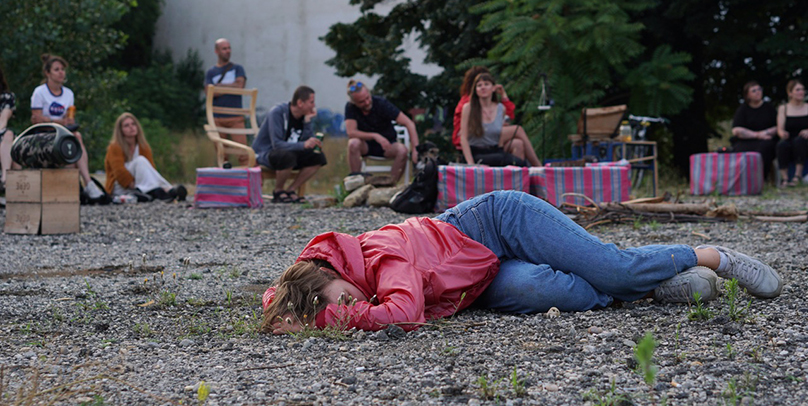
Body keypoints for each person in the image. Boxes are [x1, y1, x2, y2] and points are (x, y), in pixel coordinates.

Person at [262, 190, 782, 334]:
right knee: (554, 292)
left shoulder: (378, 255)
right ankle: (655, 290)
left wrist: (334, 316)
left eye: (347, 301)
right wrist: (290, 313)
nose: (356, 305)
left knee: (609, 268)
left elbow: (403, 312)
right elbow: (278, 299)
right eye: (344, 306)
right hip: (473, 278)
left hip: (494, 223)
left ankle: (711, 255)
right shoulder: (323, 277)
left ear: (334, 277)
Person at [30, 54, 104, 200]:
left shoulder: (69, 93)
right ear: (48, 73)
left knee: (76, 138)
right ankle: (86, 184)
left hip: (62, 133)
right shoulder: (39, 92)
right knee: (73, 141)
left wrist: (53, 120)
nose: (61, 72)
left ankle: (85, 184)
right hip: (44, 134)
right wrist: (58, 121)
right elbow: (36, 121)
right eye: (57, 69)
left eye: (62, 69)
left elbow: (69, 120)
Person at [252, 86, 326, 203]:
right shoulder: (277, 113)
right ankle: (278, 191)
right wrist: (303, 145)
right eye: (311, 102)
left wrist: (307, 122)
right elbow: (277, 144)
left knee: (318, 157)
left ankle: (291, 190)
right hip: (267, 153)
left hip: (291, 153)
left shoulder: (303, 117)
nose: (313, 106)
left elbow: (306, 142)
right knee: (287, 156)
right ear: (300, 103)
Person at [459, 73, 541, 167]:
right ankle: (538, 166)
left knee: (518, 147)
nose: (483, 87)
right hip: (478, 153)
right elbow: (463, 138)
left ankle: (532, 172)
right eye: (479, 85)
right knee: (511, 159)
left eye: (486, 84)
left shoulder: (501, 108)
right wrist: (471, 163)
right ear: (476, 90)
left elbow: (499, 133)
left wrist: (504, 95)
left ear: (493, 88)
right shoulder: (468, 108)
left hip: (495, 149)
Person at [345, 80, 419, 183]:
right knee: (353, 143)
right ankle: (355, 182)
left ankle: (390, 185)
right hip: (366, 145)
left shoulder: (381, 104)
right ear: (354, 103)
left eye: (368, 98)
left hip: (388, 145)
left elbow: (409, 123)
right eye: (361, 102)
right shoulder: (350, 108)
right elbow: (351, 132)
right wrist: (375, 136)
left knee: (402, 151)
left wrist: (416, 150)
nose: (367, 103)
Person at [104, 112, 187, 202]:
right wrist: (135, 185)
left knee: (143, 163)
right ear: (120, 130)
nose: (131, 127)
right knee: (140, 160)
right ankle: (167, 190)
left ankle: (167, 191)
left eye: (133, 124)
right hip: (121, 185)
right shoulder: (115, 147)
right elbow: (119, 172)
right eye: (126, 126)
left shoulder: (143, 146)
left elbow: (150, 169)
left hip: (141, 185)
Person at [204, 38, 248, 165]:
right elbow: (210, 93)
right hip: (217, 118)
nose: (228, 51)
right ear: (216, 51)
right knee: (222, 155)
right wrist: (230, 86)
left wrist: (219, 87)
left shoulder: (237, 68)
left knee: (243, 152)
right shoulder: (211, 72)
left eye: (229, 48)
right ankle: (225, 181)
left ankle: (247, 180)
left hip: (235, 117)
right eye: (224, 48)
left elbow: (240, 87)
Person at [731, 81, 778, 179]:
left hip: (766, 140)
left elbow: (778, 126)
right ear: (747, 95)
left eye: (759, 89)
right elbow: (736, 130)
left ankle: (762, 178)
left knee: (765, 148)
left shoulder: (769, 108)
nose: (758, 92)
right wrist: (757, 135)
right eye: (754, 91)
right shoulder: (742, 109)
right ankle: (743, 178)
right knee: (739, 150)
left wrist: (765, 133)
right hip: (747, 140)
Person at [776, 79, 808, 187]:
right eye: (798, 90)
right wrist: (781, 133)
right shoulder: (783, 108)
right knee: (782, 145)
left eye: (803, 89)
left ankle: (797, 176)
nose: (801, 92)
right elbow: (780, 129)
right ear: (790, 93)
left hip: (804, 140)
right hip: (789, 138)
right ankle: (784, 178)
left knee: (799, 142)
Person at [0, 63, 16, 189]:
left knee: (9, 134)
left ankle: (5, 179)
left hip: (1, 132)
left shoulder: (7, 97)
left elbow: (3, 120)